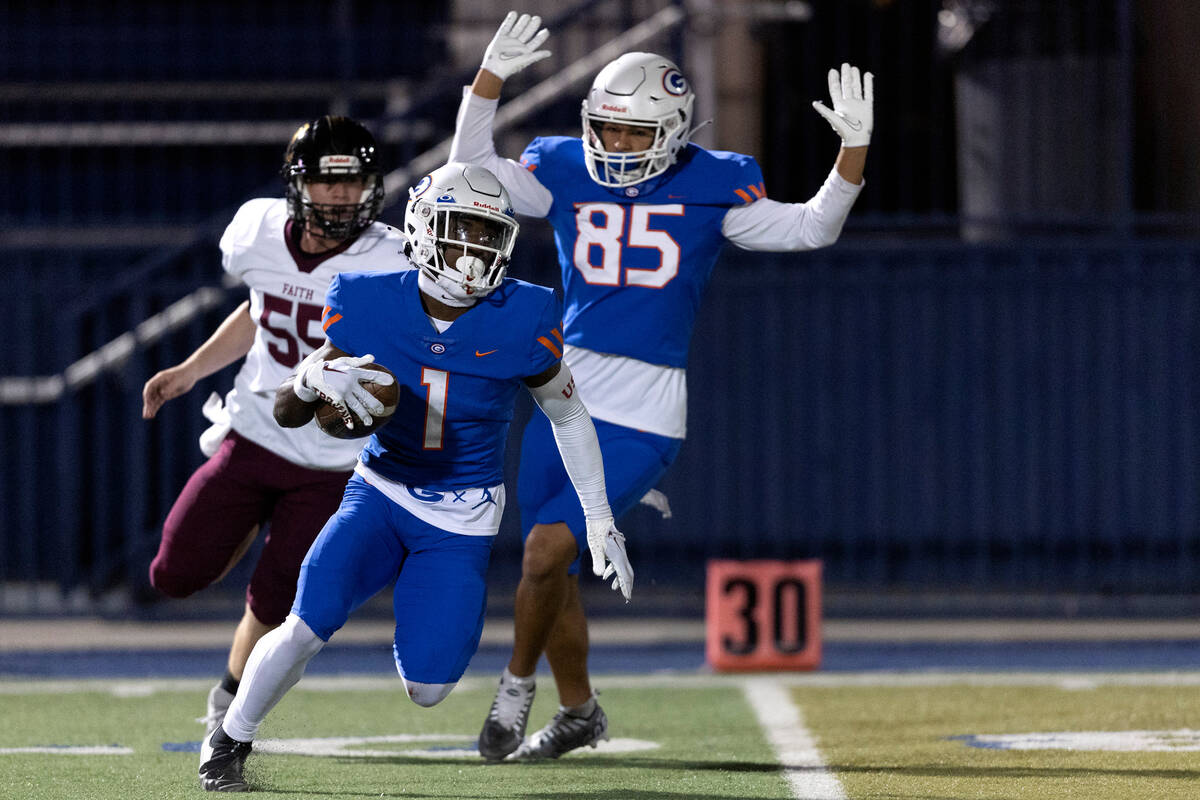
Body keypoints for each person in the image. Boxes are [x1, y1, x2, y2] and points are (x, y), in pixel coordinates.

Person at [450, 11, 874, 761]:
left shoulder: (717, 184)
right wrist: (486, 83)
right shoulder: (565, 168)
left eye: (633, 133)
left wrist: (852, 155)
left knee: (547, 551)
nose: (615, 146)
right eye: (606, 130)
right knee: (551, 566)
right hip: (561, 394)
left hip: (643, 411)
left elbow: (811, 230)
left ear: (675, 128)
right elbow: (469, 172)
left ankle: (514, 690)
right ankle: (578, 711)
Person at [197, 162, 631, 792]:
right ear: (424, 231)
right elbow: (291, 413)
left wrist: (598, 515)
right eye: (461, 231)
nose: (476, 252)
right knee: (303, 625)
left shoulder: (525, 315)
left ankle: (419, 617)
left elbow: (569, 415)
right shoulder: (367, 300)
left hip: (461, 513)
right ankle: (227, 742)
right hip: (377, 492)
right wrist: (312, 379)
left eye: (488, 236)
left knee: (428, 689)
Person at [142, 115, 410, 737]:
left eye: (355, 181)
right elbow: (262, 306)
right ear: (299, 183)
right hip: (256, 432)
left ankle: (227, 704)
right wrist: (191, 368)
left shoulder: (391, 255)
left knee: (274, 602)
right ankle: (246, 530)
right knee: (172, 575)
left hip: (333, 463)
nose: (342, 194)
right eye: (327, 180)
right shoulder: (257, 231)